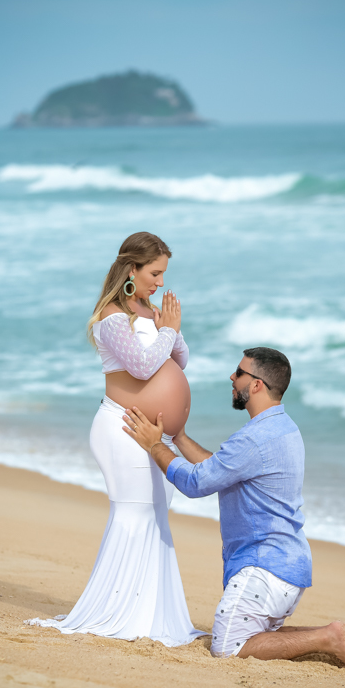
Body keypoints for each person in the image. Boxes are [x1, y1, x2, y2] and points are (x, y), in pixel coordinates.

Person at [123, 346, 345, 667]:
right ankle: (325, 637)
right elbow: (218, 469)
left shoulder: (254, 439)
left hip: (265, 570)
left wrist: (154, 446)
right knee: (251, 637)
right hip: (286, 568)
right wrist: (177, 438)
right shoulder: (284, 428)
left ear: (257, 384)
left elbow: (196, 483)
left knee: (227, 648)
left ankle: (328, 636)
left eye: (239, 373)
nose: (232, 378)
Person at [26, 232, 206, 647]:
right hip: (121, 428)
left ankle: (151, 615)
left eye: (163, 274)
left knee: (156, 514)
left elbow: (179, 361)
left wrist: (172, 332)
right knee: (134, 513)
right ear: (132, 270)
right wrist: (169, 331)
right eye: (155, 273)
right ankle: (118, 611)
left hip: (149, 433)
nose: (160, 283)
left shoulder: (149, 311)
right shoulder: (111, 316)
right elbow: (143, 367)